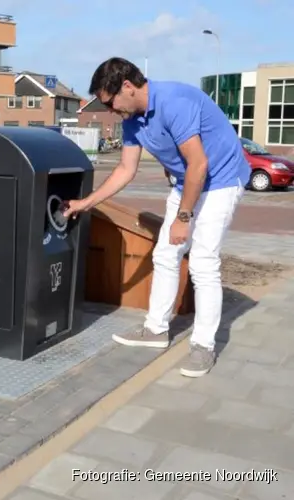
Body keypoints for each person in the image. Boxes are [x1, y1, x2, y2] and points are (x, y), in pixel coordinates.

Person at [63, 57, 251, 377]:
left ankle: (203, 346)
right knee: (166, 253)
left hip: (220, 180)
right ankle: (156, 330)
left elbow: (199, 165)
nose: (111, 111)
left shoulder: (175, 102)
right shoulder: (132, 119)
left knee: (204, 262)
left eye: (111, 103)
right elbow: (125, 169)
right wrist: (86, 203)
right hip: (187, 182)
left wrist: (183, 218)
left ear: (127, 86)